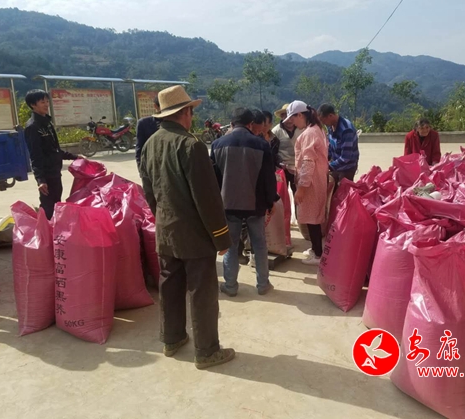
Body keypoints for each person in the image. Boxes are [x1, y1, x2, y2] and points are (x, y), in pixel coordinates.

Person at [139, 85, 235, 370]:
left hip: (166, 231)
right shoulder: (191, 145)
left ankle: (172, 339)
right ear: (186, 113)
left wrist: (162, 218)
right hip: (194, 235)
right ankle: (206, 351)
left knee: (169, 286)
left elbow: (149, 192)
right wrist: (221, 238)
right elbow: (207, 199)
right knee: (202, 292)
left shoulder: (150, 144)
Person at [211, 108, 277, 297]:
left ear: (232, 123)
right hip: (255, 205)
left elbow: (212, 179)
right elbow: (268, 178)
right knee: (259, 244)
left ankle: (230, 286)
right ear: (250, 124)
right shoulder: (262, 145)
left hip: (228, 205)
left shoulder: (217, 144)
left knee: (231, 246)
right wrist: (271, 201)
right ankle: (263, 284)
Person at [24, 89, 80, 220]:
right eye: (42, 102)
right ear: (33, 105)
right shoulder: (32, 127)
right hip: (46, 175)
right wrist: (40, 180)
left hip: (55, 173)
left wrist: (75, 157)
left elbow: (55, 150)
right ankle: (44, 230)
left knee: (56, 205)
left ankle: (53, 229)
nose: (46, 104)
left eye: (47, 101)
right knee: (48, 208)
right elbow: (35, 155)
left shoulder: (47, 123)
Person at [284, 100, 328, 265]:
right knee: (313, 217)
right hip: (317, 180)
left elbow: (308, 162)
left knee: (312, 219)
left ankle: (317, 254)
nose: (292, 122)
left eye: (293, 118)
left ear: (300, 115)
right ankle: (315, 248)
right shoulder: (317, 129)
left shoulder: (309, 133)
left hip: (311, 183)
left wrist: (302, 187)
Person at [318, 104, 360, 186]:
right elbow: (330, 148)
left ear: (330, 116)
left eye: (324, 121)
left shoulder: (346, 129)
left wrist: (328, 166)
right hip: (336, 166)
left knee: (343, 191)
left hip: (347, 168)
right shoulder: (331, 127)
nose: (323, 124)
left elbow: (346, 158)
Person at [272, 104, 303, 194]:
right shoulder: (276, 131)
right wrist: (279, 163)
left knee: (298, 193)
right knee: (281, 193)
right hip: (282, 168)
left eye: (291, 117)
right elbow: (273, 152)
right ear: (282, 117)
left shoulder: (301, 129)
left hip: (298, 168)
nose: (289, 120)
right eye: (286, 117)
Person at [135, 96, 161, 168]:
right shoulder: (144, 123)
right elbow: (139, 149)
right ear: (156, 106)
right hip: (152, 166)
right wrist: (141, 169)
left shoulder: (177, 122)